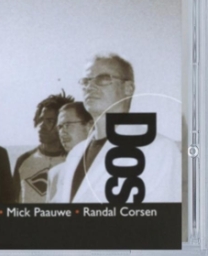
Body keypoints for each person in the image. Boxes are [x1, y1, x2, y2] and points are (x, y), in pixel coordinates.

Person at [56, 53, 181, 203]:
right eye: (85, 81)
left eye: (103, 78)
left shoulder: (158, 149)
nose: (89, 87)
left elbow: (162, 215)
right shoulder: (75, 153)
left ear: (128, 88)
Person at [12, 91, 74, 203]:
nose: (41, 126)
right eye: (40, 120)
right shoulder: (23, 161)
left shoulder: (74, 161)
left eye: (50, 121)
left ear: (63, 124)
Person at [46, 102, 93, 202]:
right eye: (60, 127)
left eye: (67, 125)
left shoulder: (102, 167)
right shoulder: (55, 174)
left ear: (89, 126)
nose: (62, 132)